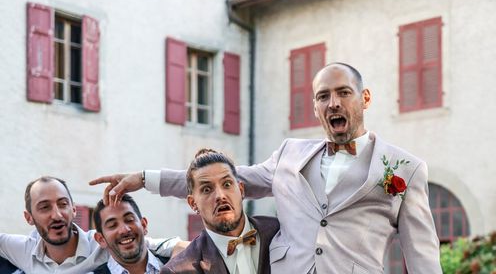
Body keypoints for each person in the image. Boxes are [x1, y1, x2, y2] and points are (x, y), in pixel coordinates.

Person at [91, 62, 442, 273]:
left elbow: (424, 260)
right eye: (323, 96)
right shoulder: (289, 154)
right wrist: (145, 179)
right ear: (316, 107)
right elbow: (225, 179)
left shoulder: (404, 169)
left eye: (344, 93)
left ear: (364, 98)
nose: (333, 102)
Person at [0, 176, 182, 273]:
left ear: (74, 210)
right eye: (44, 207)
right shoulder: (20, 248)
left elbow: (156, 245)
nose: (56, 215)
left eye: (63, 204)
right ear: (29, 217)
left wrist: (144, 178)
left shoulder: (103, 243)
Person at [160, 149, 279, 274]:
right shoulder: (177, 271)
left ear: (241, 190)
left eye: (227, 184)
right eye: (207, 189)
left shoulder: (279, 231)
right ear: (193, 203)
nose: (220, 195)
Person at [92, 194, 169, 273]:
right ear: (101, 239)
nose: (124, 230)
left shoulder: (177, 267)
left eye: (129, 220)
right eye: (113, 225)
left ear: (143, 225)